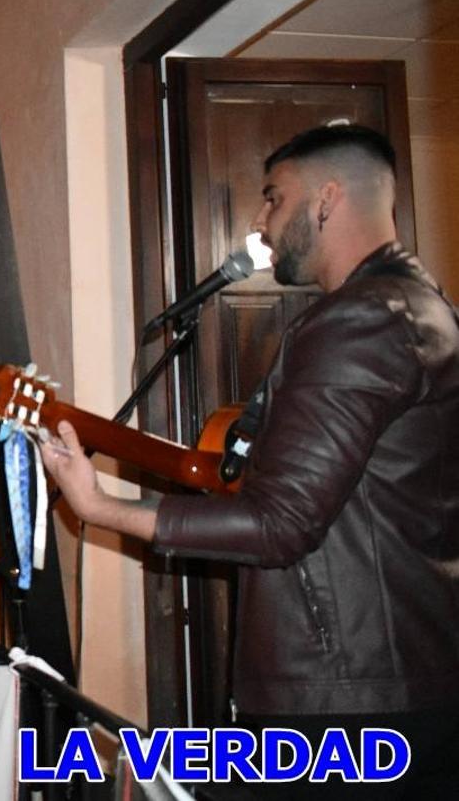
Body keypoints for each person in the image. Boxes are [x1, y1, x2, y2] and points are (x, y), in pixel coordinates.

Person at [40, 124, 459, 798]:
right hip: (391, 681)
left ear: (326, 200)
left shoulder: (360, 322)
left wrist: (99, 507)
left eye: (273, 197)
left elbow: (280, 524)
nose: (261, 220)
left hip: (346, 706)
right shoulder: (419, 308)